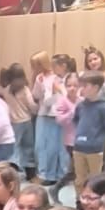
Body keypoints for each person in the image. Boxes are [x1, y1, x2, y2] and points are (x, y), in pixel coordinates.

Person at [71, 72, 105, 190]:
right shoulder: (80, 105)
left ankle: (94, 199)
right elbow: (76, 121)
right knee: (79, 179)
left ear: (95, 87)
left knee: (95, 180)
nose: (82, 89)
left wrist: (98, 140)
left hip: (95, 150)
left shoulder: (104, 107)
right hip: (78, 148)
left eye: (85, 86)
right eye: (81, 86)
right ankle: (79, 199)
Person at [30, 51, 64, 186]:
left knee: (54, 147)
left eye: (36, 65)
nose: (34, 68)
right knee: (40, 146)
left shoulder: (58, 77)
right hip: (43, 114)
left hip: (55, 115)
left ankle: (54, 175)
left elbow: (58, 97)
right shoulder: (39, 77)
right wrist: (37, 82)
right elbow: (35, 95)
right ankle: (43, 173)